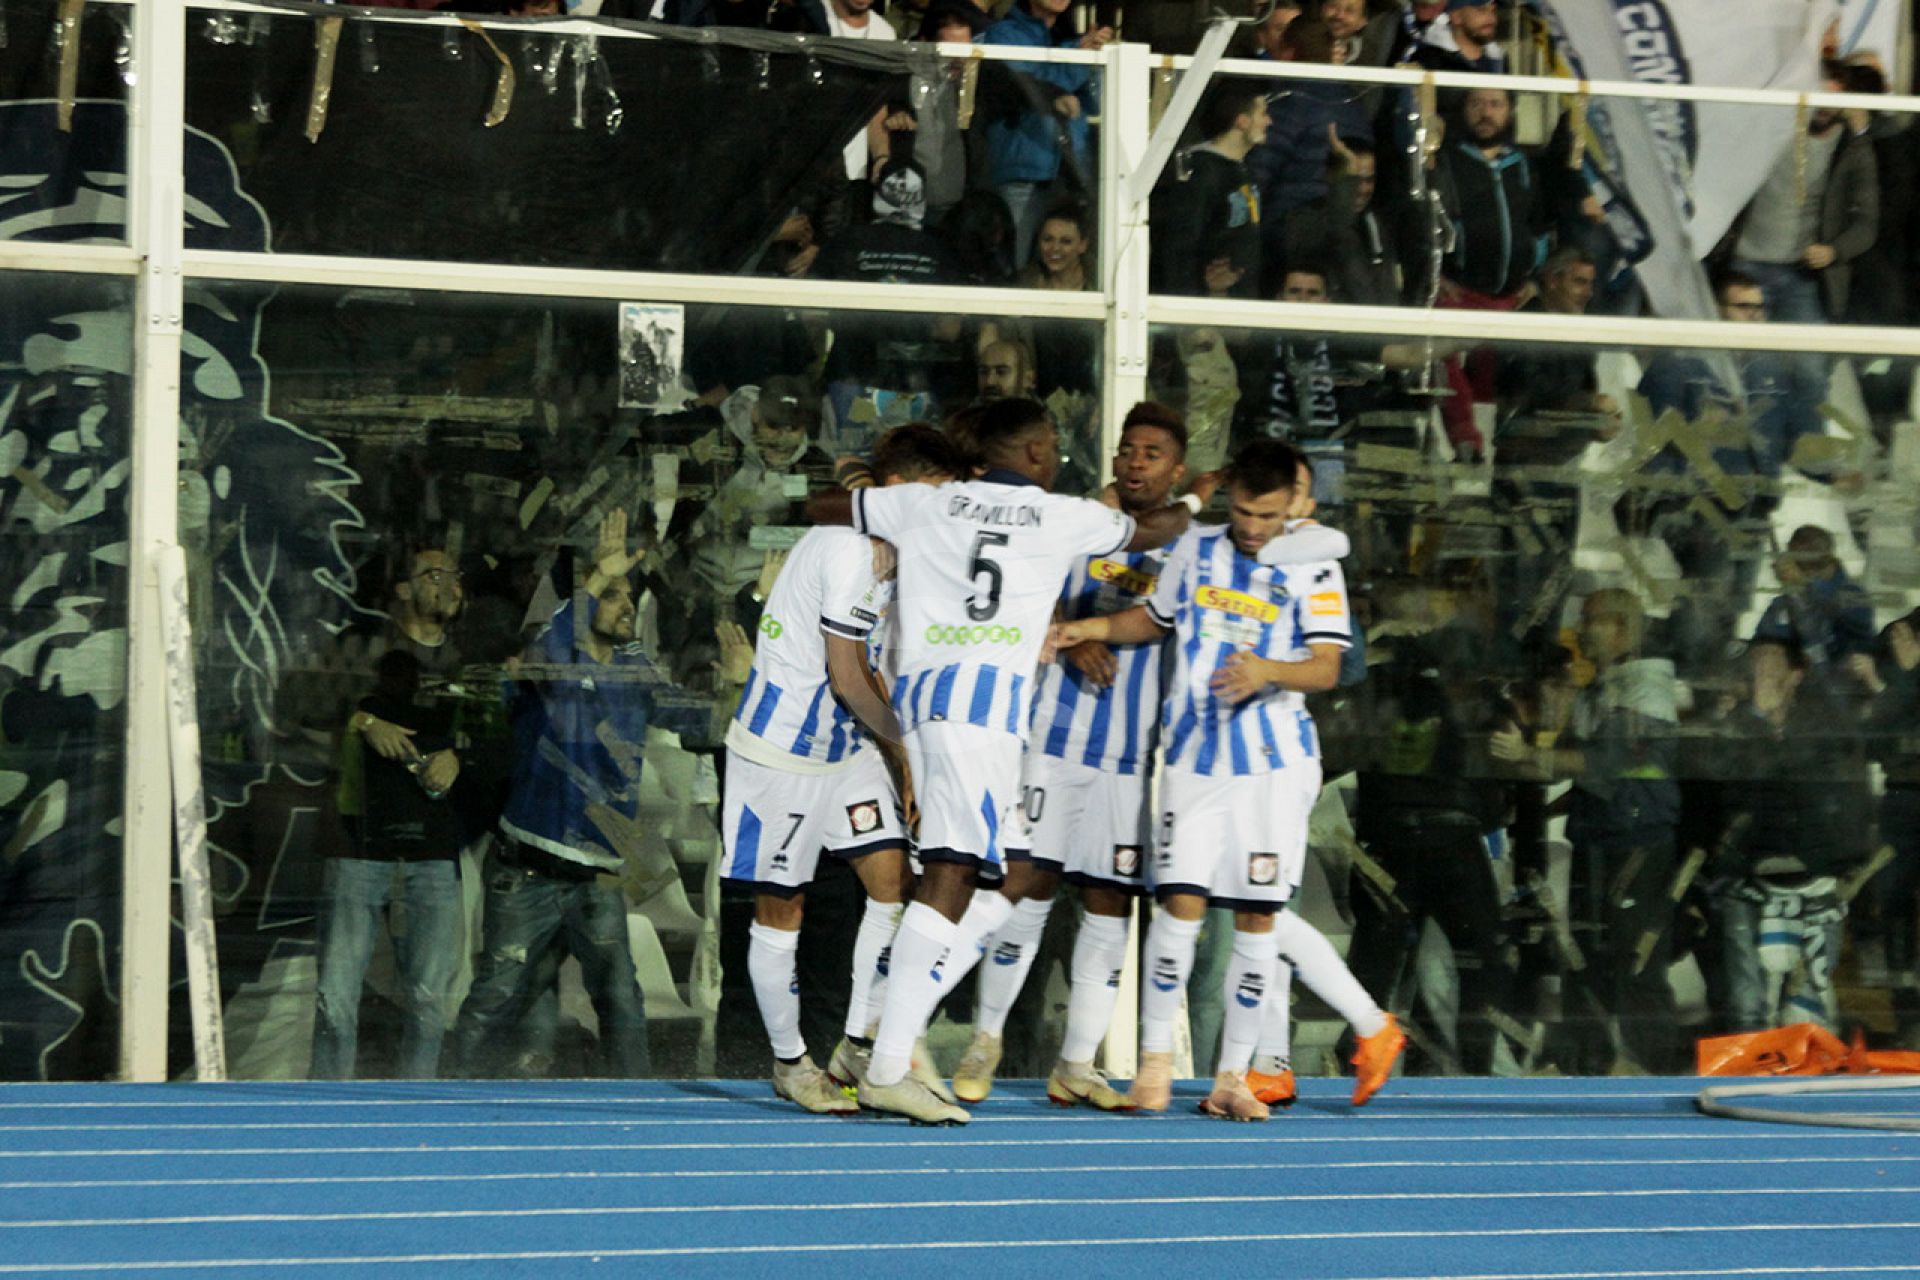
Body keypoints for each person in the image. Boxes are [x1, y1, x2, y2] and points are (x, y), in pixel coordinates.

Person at [823, 395, 1201, 1122]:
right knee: (954, 874)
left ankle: (878, 1044)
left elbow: (829, 505)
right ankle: (887, 1059)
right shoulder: (1062, 515)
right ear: (1033, 452)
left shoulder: (929, 502)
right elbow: (1153, 527)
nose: (1058, 456)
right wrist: (1195, 499)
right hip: (984, 716)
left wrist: (859, 485)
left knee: (973, 873)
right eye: (1053, 444)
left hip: (926, 704)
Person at [1048, 439, 1381, 1121]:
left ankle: (1233, 1077)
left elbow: (1327, 667)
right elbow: (1154, 619)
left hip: (1268, 770)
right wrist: (1089, 627)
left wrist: (1267, 671)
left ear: (1291, 508)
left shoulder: (1314, 563)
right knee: (1179, 911)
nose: (1254, 528)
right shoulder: (1196, 550)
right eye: (1245, 513)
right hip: (1192, 762)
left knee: (1258, 920)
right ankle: (1155, 1067)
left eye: (1268, 516)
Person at [933, 403, 1202, 1108]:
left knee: (1110, 904)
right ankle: (984, 1041)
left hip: (1131, 755)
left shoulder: (1192, 546)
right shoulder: (1075, 522)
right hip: (1053, 739)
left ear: (1176, 470)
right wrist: (1068, 633)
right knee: (1025, 888)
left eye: (1152, 453)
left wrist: (1096, 630)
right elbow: (1020, 596)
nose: (1136, 462)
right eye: (1128, 449)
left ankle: (1077, 1062)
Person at [721, 427, 963, 1112]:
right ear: (898, 492)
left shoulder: (889, 543)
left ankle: (858, 1043)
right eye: (934, 497)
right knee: (783, 909)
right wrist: (907, 761)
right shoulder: (850, 551)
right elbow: (849, 678)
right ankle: (790, 1063)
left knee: (894, 884)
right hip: (783, 752)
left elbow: (853, 467)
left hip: (844, 746)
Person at [447, 509, 708, 1078]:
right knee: (495, 997)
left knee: (621, 1001)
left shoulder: (635, 670)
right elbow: (548, 653)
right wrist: (594, 581)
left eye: (629, 596)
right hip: (528, 871)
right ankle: (448, 1098)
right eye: (613, 597)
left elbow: (696, 721)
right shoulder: (548, 664)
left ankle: (634, 1108)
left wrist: (739, 681)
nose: (626, 605)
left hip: (597, 874)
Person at [1491, 588, 1682, 1073]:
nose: (1580, 631)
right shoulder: (1604, 688)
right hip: (1599, 837)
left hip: (1635, 843)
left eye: (1592, 620)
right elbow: (1586, 769)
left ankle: (1653, 1070)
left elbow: (1609, 762)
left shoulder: (1646, 689)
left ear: (1622, 628)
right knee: (1586, 958)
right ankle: (1589, 1066)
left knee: (1634, 961)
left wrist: (1530, 755)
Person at [309, 543, 470, 1081]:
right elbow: (301, 706)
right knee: (336, 997)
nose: (447, 583)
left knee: (429, 1002)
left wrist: (458, 758)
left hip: (433, 851)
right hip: (360, 845)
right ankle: (324, 1110)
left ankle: (416, 1106)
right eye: (433, 574)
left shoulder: (467, 663)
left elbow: (497, 740)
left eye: (454, 574)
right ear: (403, 589)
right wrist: (363, 722)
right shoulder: (366, 650)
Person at [1707, 637, 1871, 1033]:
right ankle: (1750, 1062)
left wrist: (1846, 860)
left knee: (1811, 984)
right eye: (1755, 662)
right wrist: (1753, 721)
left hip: (1815, 871)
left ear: (1796, 674)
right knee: (1748, 995)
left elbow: (1824, 790)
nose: (1761, 670)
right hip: (1747, 873)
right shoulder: (1733, 725)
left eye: (1771, 661)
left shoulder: (1822, 726)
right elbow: (1726, 788)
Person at [1729, 61, 1878, 325]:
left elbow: (1866, 223)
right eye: (1817, 95)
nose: (1823, 106)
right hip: (1743, 269)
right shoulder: (1770, 132)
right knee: (1740, 349)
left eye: (1832, 98)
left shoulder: (1852, 149)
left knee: (1811, 351)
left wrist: (1833, 251)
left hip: (1802, 274)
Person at [979, 0, 1113, 268]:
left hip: (1072, 172)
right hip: (1022, 171)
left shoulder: (1071, 40)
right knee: (1015, 262)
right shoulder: (1004, 33)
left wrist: (1095, 57)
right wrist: (1076, 57)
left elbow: (1094, 103)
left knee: (1077, 268)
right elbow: (1028, 87)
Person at [1150, 82, 1271, 301]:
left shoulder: (1241, 170)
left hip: (1236, 302)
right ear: (1242, 121)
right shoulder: (1201, 173)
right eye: (1263, 113)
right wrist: (1192, 300)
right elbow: (1181, 245)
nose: (1269, 121)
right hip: (1205, 305)